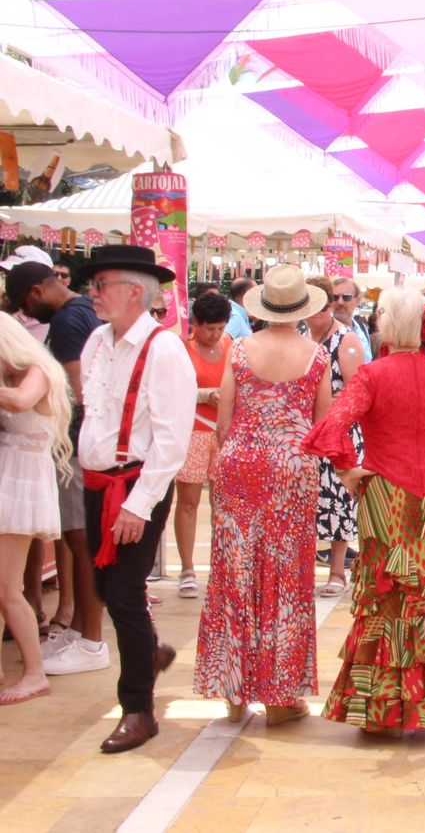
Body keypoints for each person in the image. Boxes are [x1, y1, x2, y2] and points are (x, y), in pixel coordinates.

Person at [302, 287, 425, 736]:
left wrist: (347, 471)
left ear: (386, 324)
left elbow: (331, 427)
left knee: (386, 593)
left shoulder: (371, 376)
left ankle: (381, 707)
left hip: (384, 491)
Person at [194, 266, 331, 725]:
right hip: (292, 470)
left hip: (241, 462)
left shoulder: (239, 348)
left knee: (235, 572)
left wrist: (233, 461)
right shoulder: (315, 355)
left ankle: (235, 693)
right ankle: (280, 697)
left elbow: (225, 419)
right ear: (302, 309)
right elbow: (322, 426)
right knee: (286, 581)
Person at [74, 245, 198, 752]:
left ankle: (138, 709)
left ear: (132, 291)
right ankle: (150, 651)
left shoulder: (165, 351)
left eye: (100, 285)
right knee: (105, 588)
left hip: (133, 488)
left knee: (124, 594)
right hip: (96, 484)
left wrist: (137, 504)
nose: (93, 294)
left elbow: (172, 440)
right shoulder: (98, 341)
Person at [8, 259, 104, 671]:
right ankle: (78, 627)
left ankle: (86, 636)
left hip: (72, 447)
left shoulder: (65, 324)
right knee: (78, 542)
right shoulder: (81, 311)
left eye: (25, 309)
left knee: (80, 541)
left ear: (34, 293)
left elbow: (77, 391)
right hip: (77, 447)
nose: (28, 317)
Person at [0, 312, 72, 705]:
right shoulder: (16, 374)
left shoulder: (37, 372)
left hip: (21, 483)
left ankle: (34, 672)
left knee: (8, 588)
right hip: (12, 478)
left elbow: (20, 401)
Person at [304, 276, 366, 596]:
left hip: (339, 429)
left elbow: (357, 392)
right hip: (306, 431)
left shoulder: (346, 339)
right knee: (308, 499)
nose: (316, 311)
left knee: (337, 499)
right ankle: (306, 566)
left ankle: (338, 570)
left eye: (322, 304)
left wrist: (330, 417)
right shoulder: (301, 337)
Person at [171, 292, 233, 600]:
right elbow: (173, 389)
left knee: (223, 502)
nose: (216, 335)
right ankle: (186, 568)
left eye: (220, 328)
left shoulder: (232, 347)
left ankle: (220, 566)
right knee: (188, 501)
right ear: (196, 324)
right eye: (210, 328)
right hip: (193, 430)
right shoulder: (183, 349)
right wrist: (205, 394)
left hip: (224, 431)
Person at [329, 277, 374, 361]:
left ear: (358, 301)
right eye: (335, 297)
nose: (340, 302)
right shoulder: (324, 330)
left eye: (346, 297)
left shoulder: (362, 328)